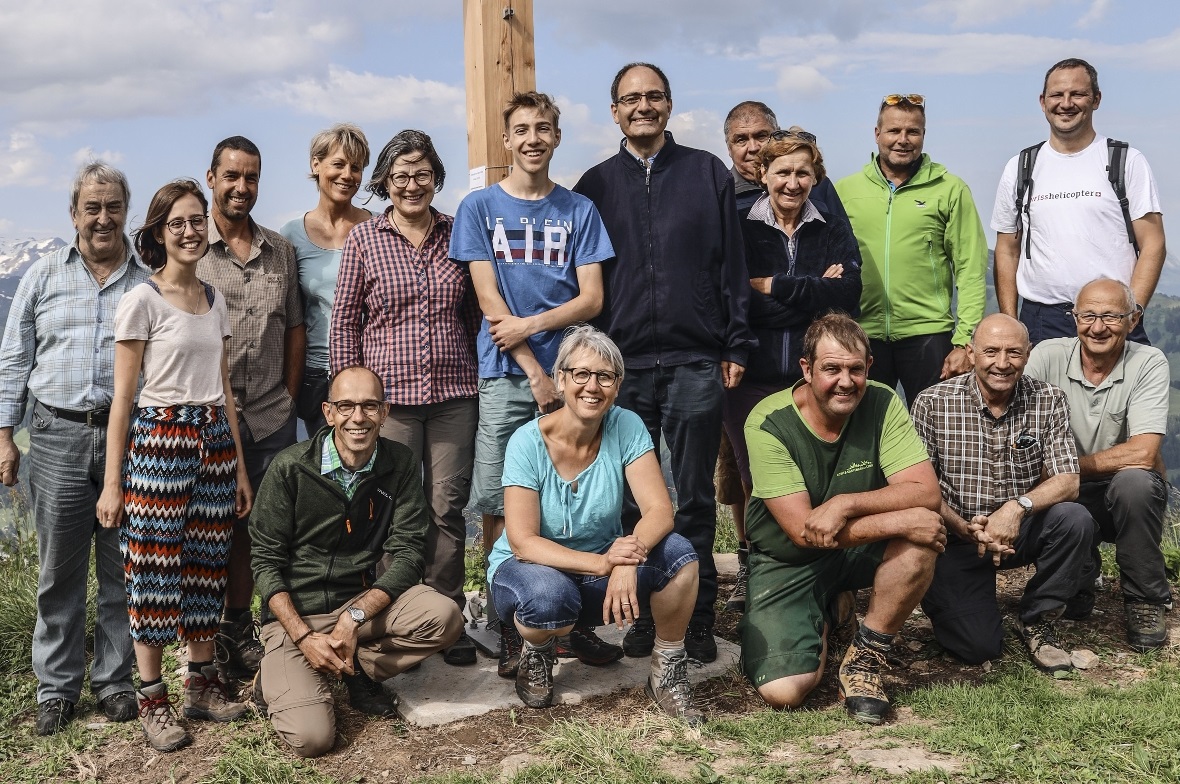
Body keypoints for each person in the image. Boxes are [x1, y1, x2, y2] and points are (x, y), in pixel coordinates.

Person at [574, 63, 755, 662]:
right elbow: (586, 280)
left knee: (697, 497)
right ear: (615, 110)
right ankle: (649, 614)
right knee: (630, 502)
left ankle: (696, 617)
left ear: (670, 104)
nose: (643, 106)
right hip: (621, 368)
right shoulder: (595, 186)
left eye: (653, 96)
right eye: (631, 98)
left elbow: (731, 265)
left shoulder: (707, 173)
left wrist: (735, 342)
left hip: (695, 359)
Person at [451, 92, 617, 666]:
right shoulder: (479, 209)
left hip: (575, 376)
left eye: (543, 128)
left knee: (577, 490)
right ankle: (507, 623)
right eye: (521, 129)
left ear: (556, 137)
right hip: (507, 375)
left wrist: (545, 338)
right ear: (507, 140)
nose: (532, 139)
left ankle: (572, 615)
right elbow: (489, 301)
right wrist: (536, 373)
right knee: (499, 499)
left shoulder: (578, 211)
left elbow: (592, 298)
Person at [97, 179, 252, 751]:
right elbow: (123, 398)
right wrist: (115, 483)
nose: (190, 232)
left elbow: (225, 391)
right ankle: (152, 697)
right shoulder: (142, 299)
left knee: (206, 564)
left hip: (211, 440)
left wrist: (236, 467)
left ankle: (201, 684)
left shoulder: (216, 300)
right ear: (160, 233)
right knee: (155, 572)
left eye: (196, 221)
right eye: (177, 223)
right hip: (160, 442)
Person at [488, 325, 703, 723]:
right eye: (581, 374)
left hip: (599, 570)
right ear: (561, 379)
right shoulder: (526, 441)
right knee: (550, 601)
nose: (593, 386)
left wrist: (625, 559)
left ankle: (667, 669)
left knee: (680, 556)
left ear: (617, 386)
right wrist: (607, 564)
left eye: (605, 376)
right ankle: (536, 649)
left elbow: (659, 511)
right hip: (527, 571)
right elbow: (522, 542)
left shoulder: (626, 425)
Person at [0, 162, 147, 736]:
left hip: (128, 437)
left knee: (120, 566)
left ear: (124, 212)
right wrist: (5, 438)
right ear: (74, 214)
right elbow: (13, 359)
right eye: (93, 207)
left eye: (113, 207)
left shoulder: (145, 282)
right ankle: (56, 689)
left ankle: (114, 682)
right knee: (58, 571)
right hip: (56, 434)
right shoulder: (41, 277)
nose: (103, 218)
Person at [251, 366, 464, 758]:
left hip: (358, 607)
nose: (358, 417)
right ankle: (281, 671)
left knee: (444, 615)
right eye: (346, 406)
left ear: (385, 413)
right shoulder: (290, 467)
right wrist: (300, 634)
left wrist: (355, 618)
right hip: (297, 616)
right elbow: (264, 562)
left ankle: (357, 670)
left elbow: (409, 551)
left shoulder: (398, 463)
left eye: (369, 406)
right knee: (313, 740)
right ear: (329, 413)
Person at [741, 313, 943, 724]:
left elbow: (924, 491)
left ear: (869, 367)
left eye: (855, 369)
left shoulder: (883, 401)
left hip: (856, 548)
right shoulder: (767, 422)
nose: (845, 382)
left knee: (921, 537)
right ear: (807, 369)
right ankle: (831, 611)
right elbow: (803, 531)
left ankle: (865, 660)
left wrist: (845, 503)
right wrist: (901, 521)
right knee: (786, 692)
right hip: (789, 560)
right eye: (831, 369)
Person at [332, 129, 481, 666]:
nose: (412, 185)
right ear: (385, 183)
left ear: (436, 178)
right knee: (389, 507)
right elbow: (346, 320)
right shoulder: (365, 241)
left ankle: (446, 614)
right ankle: (390, 610)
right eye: (400, 176)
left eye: (422, 174)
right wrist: (350, 396)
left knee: (446, 506)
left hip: (452, 395)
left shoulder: (457, 233)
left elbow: (473, 311)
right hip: (387, 400)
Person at [722, 129, 862, 612]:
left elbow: (848, 296)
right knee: (754, 477)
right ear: (763, 175)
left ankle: (829, 571)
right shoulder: (741, 226)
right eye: (782, 172)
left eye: (803, 172)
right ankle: (758, 564)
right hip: (752, 374)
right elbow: (734, 298)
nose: (792, 182)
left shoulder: (829, 227)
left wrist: (773, 286)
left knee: (819, 473)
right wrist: (807, 293)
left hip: (811, 377)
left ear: (815, 177)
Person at [911, 314, 1093, 673]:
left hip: (1017, 530)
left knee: (1075, 519)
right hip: (956, 536)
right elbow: (919, 487)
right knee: (978, 646)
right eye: (991, 351)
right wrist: (964, 527)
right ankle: (958, 601)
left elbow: (1068, 480)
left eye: (1013, 352)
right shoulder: (932, 403)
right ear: (972, 352)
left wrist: (1017, 507)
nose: (1002, 363)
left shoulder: (1048, 399)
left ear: (1027, 354)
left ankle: (1038, 617)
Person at [197, 136, 305, 681]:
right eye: (232, 176)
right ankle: (206, 636)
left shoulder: (278, 250)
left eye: (252, 177)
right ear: (212, 177)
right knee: (210, 529)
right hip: (208, 420)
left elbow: (294, 328)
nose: (242, 187)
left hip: (268, 415)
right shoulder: (192, 247)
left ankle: (244, 628)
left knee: (262, 529)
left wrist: (286, 395)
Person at [1025, 278, 1171, 650]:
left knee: (1135, 484)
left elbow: (1143, 453)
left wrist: (1066, 467)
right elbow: (1021, 431)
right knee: (1054, 489)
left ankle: (1145, 599)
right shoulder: (1047, 355)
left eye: (1111, 316)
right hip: (1065, 492)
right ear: (1074, 318)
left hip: (1116, 488)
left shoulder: (1148, 361)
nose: (1097, 327)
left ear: (1132, 320)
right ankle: (1081, 574)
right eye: (1088, 315)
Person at [992, 58, 1166, 345]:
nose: (1066, 103)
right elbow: (1007, 250)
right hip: (1040, 320)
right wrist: (1012, 323)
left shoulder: (1126, 161)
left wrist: (1131, 314)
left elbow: (1153, 243)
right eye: (1057, 95)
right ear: (1042, 101)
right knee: (1041, 393)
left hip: (1112, 319)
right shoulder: (1021, 166)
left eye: (1078, 94)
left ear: (1096, 99)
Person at [836, 94, 988, 406]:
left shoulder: (950, 189)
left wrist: (965, 342)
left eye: (913, 132)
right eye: (894, 131)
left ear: (923, 135)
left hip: (928, 334)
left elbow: (971, 268)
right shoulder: (846, 191)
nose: (903, 140)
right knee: (864, 432)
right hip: (861, 333)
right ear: (877, 134)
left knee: (937, 430)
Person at [281, 124, 371, 435]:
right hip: (315, 376)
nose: (348, 175)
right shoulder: (291, 235)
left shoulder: (377, 229)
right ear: (315, 165)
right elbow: (290, 315)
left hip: (370, 369)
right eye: (339, 164)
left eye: (356, 167)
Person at [723, 100, 849, 221]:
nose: (753, 148)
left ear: (778, 135)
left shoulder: (819, 186)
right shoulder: (721, 195)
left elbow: (845, 240)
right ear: (729, 148)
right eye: (741, 140)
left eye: (761, 136)